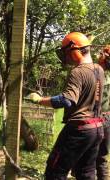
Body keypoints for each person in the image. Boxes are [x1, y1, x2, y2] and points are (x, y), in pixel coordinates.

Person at [28, 32, 105, 179]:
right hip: (96, 129)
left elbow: (66, 100)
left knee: (55, 171)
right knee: (86, 173)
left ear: (75, 50)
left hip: (79, 129)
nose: (66, 56)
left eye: (66, 52)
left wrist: (39, 100)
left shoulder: (78, 72)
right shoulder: (99, 70)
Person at [96, 45, 110, 179]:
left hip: (95, 119)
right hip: (106, 119)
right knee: (102, 158)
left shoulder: (96, 74)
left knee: (86, 156)